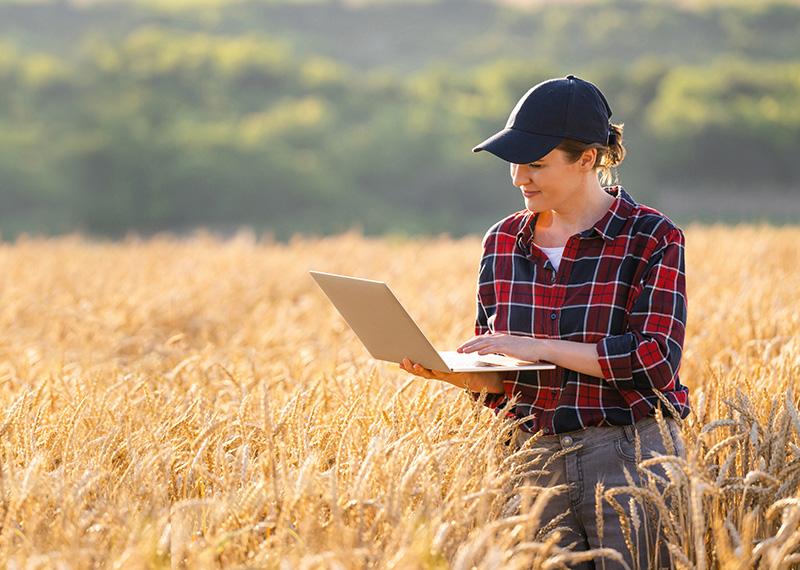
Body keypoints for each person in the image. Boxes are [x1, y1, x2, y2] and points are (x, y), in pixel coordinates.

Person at [399, 74, 690, 569]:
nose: (519, 177)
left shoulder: (651, 237)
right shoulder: (502, 241)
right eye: (515, 162)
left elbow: (655, 362)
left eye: (536, 163)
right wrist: (449, 373)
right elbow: (503, 370)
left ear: (587, 159)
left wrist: (539, 346)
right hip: (528, 460)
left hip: (628, 457)